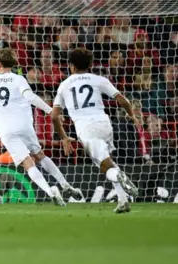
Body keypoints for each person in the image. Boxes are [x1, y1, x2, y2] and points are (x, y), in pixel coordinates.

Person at [0, 48, 83, 205]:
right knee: (39, 155)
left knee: (27, 162)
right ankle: (65, 185)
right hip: (23, 124)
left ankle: (49, 192)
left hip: (5, 130)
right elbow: (31, 97)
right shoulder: (19, 79)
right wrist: (50, 111)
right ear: (11, 64)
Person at [51, 48, 139, 213]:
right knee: (105, 162)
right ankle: (123, 200)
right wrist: (132, 115)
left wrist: (63, 137)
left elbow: (55, 116)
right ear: (90, 64)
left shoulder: (64, 85)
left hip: (86, 129)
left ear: (71, 66)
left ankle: (118, 175)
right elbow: (122, 100)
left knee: (107, 167)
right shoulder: (99, 79)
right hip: (105, 124)